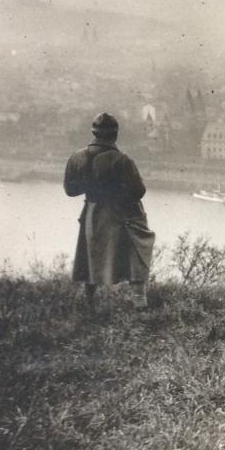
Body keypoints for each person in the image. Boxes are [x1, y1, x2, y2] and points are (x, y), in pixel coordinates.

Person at [64, 113, 155, 311]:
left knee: (90, 254)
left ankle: (88, 303)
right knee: (137, 251)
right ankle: (139, 302)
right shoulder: (122, 160)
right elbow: (138, 191)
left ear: (93, 133)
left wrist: (94, 185)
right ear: (115, 135)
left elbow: (70, 190)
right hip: (120, 214)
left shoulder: (76, 157)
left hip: (91, 212)